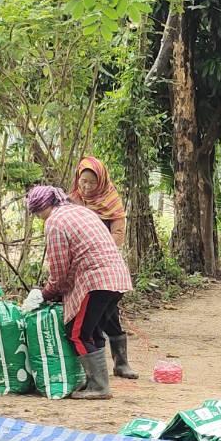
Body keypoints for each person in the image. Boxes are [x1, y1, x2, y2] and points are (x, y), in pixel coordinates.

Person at [25, 185, 133, 399]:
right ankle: (94, 380)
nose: (39, 218)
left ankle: (99, 386)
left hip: (96, 280)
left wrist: (45, 294)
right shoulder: (81, 210)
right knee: (93, 331)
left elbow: (59, 270)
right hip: (117, 276)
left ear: (42, 209)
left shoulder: (54, 223)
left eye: (37, 214)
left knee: (77, 332)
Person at [68, 155, 136, 378]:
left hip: (105, 267)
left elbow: (118, 234)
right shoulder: (72, 202)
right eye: (82, 181)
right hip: (80, 268)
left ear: (102, 182)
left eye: (91, 182)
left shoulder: (112, 202)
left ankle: (117, 364)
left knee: (107, 313)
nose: (86, 187)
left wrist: (98, 252)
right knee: (101, 315)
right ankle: (110, 367)